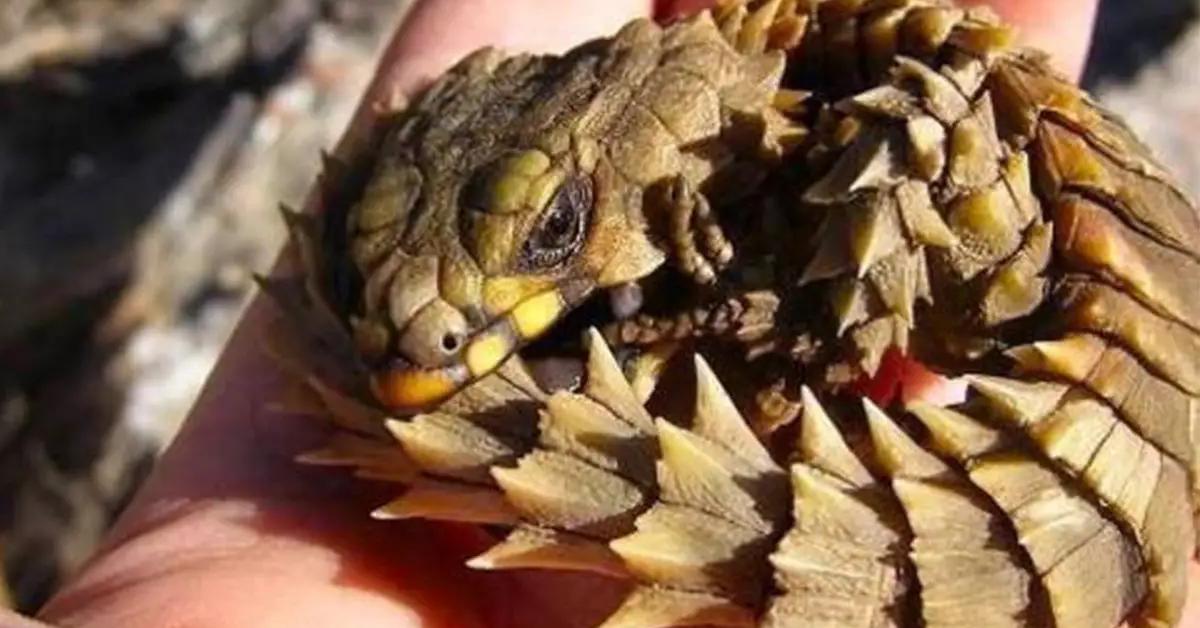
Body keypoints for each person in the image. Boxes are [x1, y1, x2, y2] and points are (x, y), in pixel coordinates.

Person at [11, 0, 1185, 626]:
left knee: (920, 137)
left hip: (1114, 415)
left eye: (564, 226)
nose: (431, 352)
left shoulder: (827, 98)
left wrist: (781, 319)